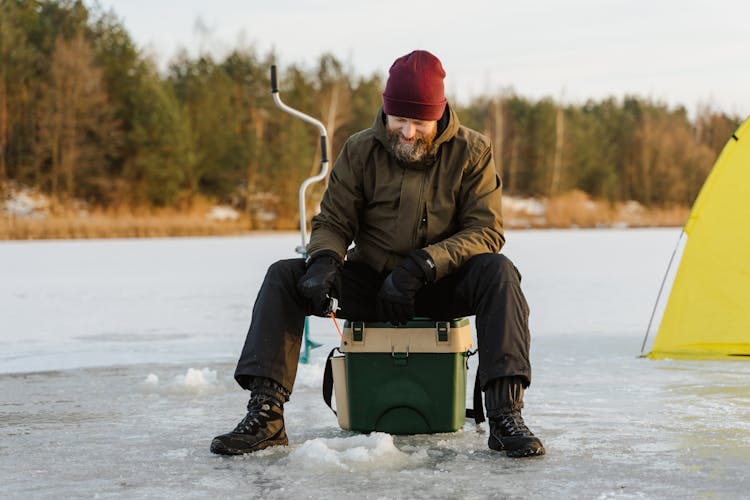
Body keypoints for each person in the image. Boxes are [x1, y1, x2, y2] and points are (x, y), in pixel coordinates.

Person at [210, 50, 545, 458]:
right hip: (372, 284)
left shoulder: (472, 151)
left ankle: (506, 415)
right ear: (385, 111)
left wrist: (424, 264)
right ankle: (265, 415)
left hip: (440, 283)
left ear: (438, 116)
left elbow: (485, 230)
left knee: (500, 273)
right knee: (283, 275)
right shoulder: (360, 149)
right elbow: (333, 221)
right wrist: (324, 262)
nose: (406, 132)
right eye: (398, 119)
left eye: (418, 122)